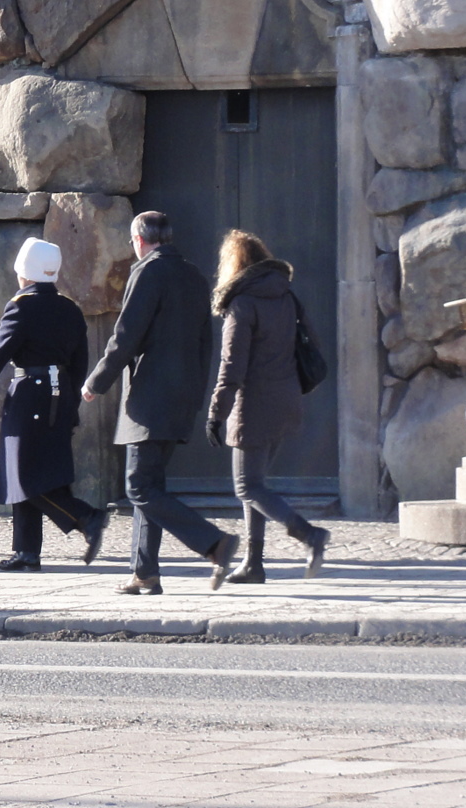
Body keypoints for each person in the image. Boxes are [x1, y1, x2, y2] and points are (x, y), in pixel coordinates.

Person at [82, 211, 240, 593]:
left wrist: (96, 381)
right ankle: (145, 572)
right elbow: (205, 343)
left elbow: (125, 336)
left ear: (139, 239)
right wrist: (196, 394)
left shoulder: (148, 272)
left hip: (150, 398)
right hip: (181, 397)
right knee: (150, 486)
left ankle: (214, 543)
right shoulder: (193, 275)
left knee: (138, 486)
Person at [0, 238, 108, 572]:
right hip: (59, 395)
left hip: (29, 394)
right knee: (26, 471)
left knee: (22, 474)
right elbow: (79, 362)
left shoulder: (21, 306)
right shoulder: (69, 308)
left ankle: (86, 517)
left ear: (24, 272)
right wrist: (70, 403)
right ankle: (26, 550)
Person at [207, 230, 330, 582]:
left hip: (254, 405)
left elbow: (232, 366)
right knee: (256, 485)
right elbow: (310, 342)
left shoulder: (242, 304)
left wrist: (216, 412)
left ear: (232, 265)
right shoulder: (286, 295)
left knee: (246, 486)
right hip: (286, 400)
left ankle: (309, 534)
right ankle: (253, 564)